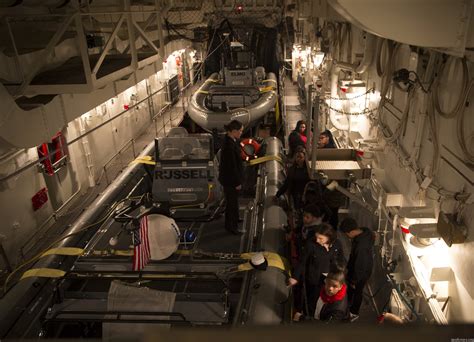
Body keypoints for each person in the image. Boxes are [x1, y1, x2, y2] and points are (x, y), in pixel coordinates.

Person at [289, 223, 345, 320]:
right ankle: (309, 318)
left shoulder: (337, 244)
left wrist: (341, 269)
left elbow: (341, 259)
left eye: (320, 238)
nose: (317, 240)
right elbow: (302, 261)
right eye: (316, 237)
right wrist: (295, 277)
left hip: (330, 279)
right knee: (313, 300)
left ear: (329, 237)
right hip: (314, 279)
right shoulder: (311, 245)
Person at [339, 217, 375, 322]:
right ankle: (348, 304)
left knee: (357, 292)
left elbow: (360, 265)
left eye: (347, 234)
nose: (347, 236)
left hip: (360, 272)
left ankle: (354, 313)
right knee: (352, 290)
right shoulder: (365, 231)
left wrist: (355, 280)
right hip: (361, 267)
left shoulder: (361, 246)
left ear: (352, 231)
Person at [218, 120, 244, 234]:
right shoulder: (229, 146)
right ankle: (231, 227)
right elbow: (231, 167)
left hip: (229, 179)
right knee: (231, 204)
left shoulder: (230, 141)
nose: (241, 133)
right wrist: (237, 182)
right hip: (230, 181)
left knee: (234, 201)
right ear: (234, 131)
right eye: (240, 131)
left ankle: (236, 218)